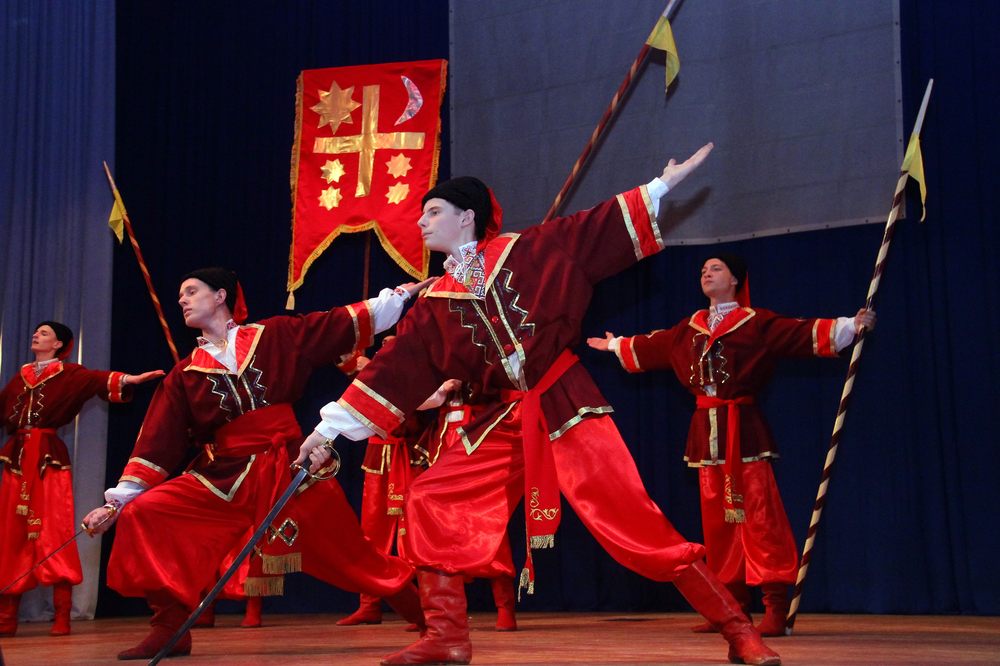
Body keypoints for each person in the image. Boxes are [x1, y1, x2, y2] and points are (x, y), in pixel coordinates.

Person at [298, 143, 782, 666]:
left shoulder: (532, 249)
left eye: (433, 212)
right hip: (502, 419)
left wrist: (662, 185)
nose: (421, 222)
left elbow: (596, 227)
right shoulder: (434, 303)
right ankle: (446, 636)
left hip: (564, 404)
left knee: (633, 523)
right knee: (431, 498)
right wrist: (326, 432)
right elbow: (392, 370)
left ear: (467, 217)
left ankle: (738, 629)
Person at [83, 268, 429, 660]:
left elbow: (336, 324)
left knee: (353, 556)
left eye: (191, 291)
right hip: (224, 477)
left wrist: (398, 296)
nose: (182, 299)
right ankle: (169, 629)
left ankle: (432, 621)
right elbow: (156, 442)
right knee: (147, 513)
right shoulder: (185, 374)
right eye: (180, 295)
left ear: (221, 296)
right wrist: (117, 503)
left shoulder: (275, 335)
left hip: (290, 467)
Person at [587, 254, 875, 636]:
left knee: (760, 518)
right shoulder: (690, 328)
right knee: (718, 524)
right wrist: (615, 346)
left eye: (716, 268)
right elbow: (654, 345)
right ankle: (731, 608)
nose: (706, 273)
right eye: (703, 270)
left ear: (736, 279)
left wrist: (851, 325)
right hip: (706, 438)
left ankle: (774, 605)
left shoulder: (755, 323)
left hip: (745, 434)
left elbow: (800, 332)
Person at [0, 321, 163, 637]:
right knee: (11, 533)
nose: (36, 335)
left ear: (59, 344)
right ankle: (6, 617)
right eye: (36, 332)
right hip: (16, 461)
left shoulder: (70, 374)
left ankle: (62, 614)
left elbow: (100, 380)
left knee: (54, 530)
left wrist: (130, 379)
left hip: (48, 460)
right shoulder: (20, 377)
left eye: (44, 333)